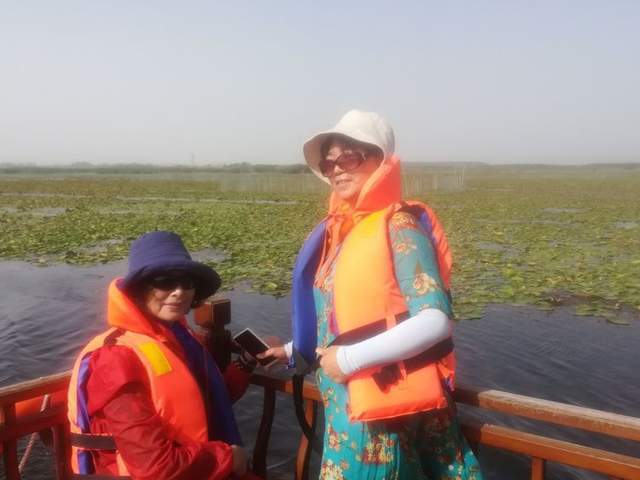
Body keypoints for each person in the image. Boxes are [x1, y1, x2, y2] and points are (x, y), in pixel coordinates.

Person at [261, 110, 483, 479]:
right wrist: (289, 349)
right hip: (346, 411)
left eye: (349, 157)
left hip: (381, 418)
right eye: (329, 162)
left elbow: (435, 320)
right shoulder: (343, 232)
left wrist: (348, 360)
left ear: (381, 159)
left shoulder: (400, 225)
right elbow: (345, 319)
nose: (336, 169)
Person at [67, 231, 260, 480]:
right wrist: (229, 457)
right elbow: (155, 467)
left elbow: (207, 401)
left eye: (187, 283)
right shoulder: (115, 358)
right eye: (164, 282)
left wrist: (245, 363)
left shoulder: (179, 339)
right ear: (138, 290)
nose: (179, 292)